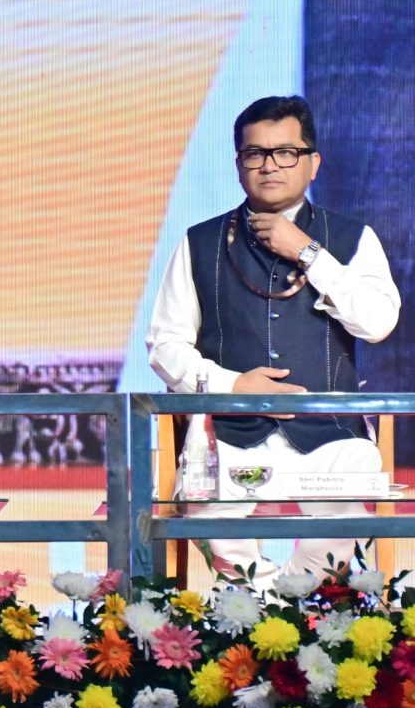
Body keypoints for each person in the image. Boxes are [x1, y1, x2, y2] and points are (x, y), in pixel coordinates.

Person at [146, 94, 400, 580]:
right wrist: (234, 386)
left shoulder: (353, 238)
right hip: (230, 437)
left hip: (330, 437)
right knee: (206, 499)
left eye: (285, 152)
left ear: (313, 163)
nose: (269, 165)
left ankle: (293, 598)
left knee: (355, 484)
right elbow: (165, 345)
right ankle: (253, 600)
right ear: (239, 164)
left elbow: (377, 322)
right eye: (255, 153)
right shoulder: (200, 241)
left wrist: (308, 253)